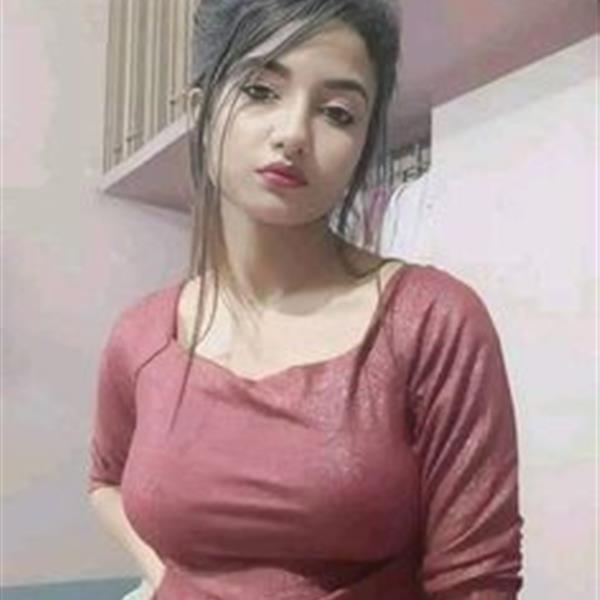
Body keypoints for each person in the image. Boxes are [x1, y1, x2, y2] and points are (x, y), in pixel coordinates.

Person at [87, 1, 524, 598]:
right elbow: (105, 481)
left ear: (363, 141)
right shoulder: (140, 336)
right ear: (201, 112)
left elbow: (476, 581)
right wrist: (168, 575)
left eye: (338, 113)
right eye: (260, 91)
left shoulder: (433, 323)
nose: (293, 134)